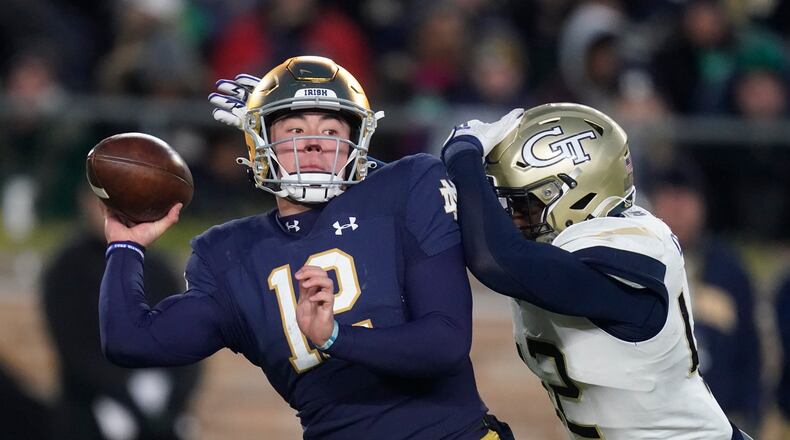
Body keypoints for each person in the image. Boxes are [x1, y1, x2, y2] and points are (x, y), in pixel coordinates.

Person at [99, 55, 511, 439]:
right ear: (259, 141)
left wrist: (334, 337)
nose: (313, 143)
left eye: (331, 130)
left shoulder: (409, 187)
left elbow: (444, 344)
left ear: (359, 140)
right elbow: (130, 341)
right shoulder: (230, 253)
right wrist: (125, 247)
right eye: (294, 130)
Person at [440, 102, 752, 439]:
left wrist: (463, 153)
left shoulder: (638, 244)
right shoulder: (561, 252)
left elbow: (496, 260)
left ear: (577, 193)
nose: (513, 221)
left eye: (525, 206)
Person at [43, 187, 203, 439]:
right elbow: (74, 352)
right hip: (92, 407)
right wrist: (129, 401)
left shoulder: (158, 267)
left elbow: (189, 341)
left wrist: (171, 404)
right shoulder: (68, 268)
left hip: (161, 406)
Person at [649, 164, 762, 432]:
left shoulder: (729, 271)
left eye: (685, 199)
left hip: (722, 420)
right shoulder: (637, 266)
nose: (677, 210)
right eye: (668, 198)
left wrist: (752, 414)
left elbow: (751, 352)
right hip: (656, 423)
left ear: (703, 205)